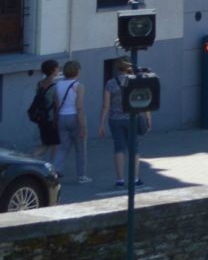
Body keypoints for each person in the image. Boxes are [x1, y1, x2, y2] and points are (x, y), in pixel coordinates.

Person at [96, 58, 145, 187]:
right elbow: (142, 99)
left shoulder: (110, 83)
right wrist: (148, 117)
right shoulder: (134, 81)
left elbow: (105, 105)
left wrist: (101, 124)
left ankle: (120, 179)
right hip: (132, 118)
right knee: (134, 148)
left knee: (119, 149)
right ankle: (134, 178)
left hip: (115, 119)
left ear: (117, 68)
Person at [50, 60, 88, 183]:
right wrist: (83, 126)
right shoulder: (78, 85)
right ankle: (81, 176)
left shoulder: (58, 85)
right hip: (74, 117)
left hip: (61, 117)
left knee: (63, 147)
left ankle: (54, 171)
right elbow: (80, 106)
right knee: (80, 148)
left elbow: (56, 103)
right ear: (77, 71)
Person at [30, 59, 60, 159]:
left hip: (41, 116)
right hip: (50, 118)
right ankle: (52, 166)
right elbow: (56, 104)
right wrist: (57, 119)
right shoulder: (54, 86)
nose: (58, 70)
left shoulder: (39, 83)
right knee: (52, 143)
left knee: (45, 141)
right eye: (57, 68)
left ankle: (36, 159)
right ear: (52, 70)